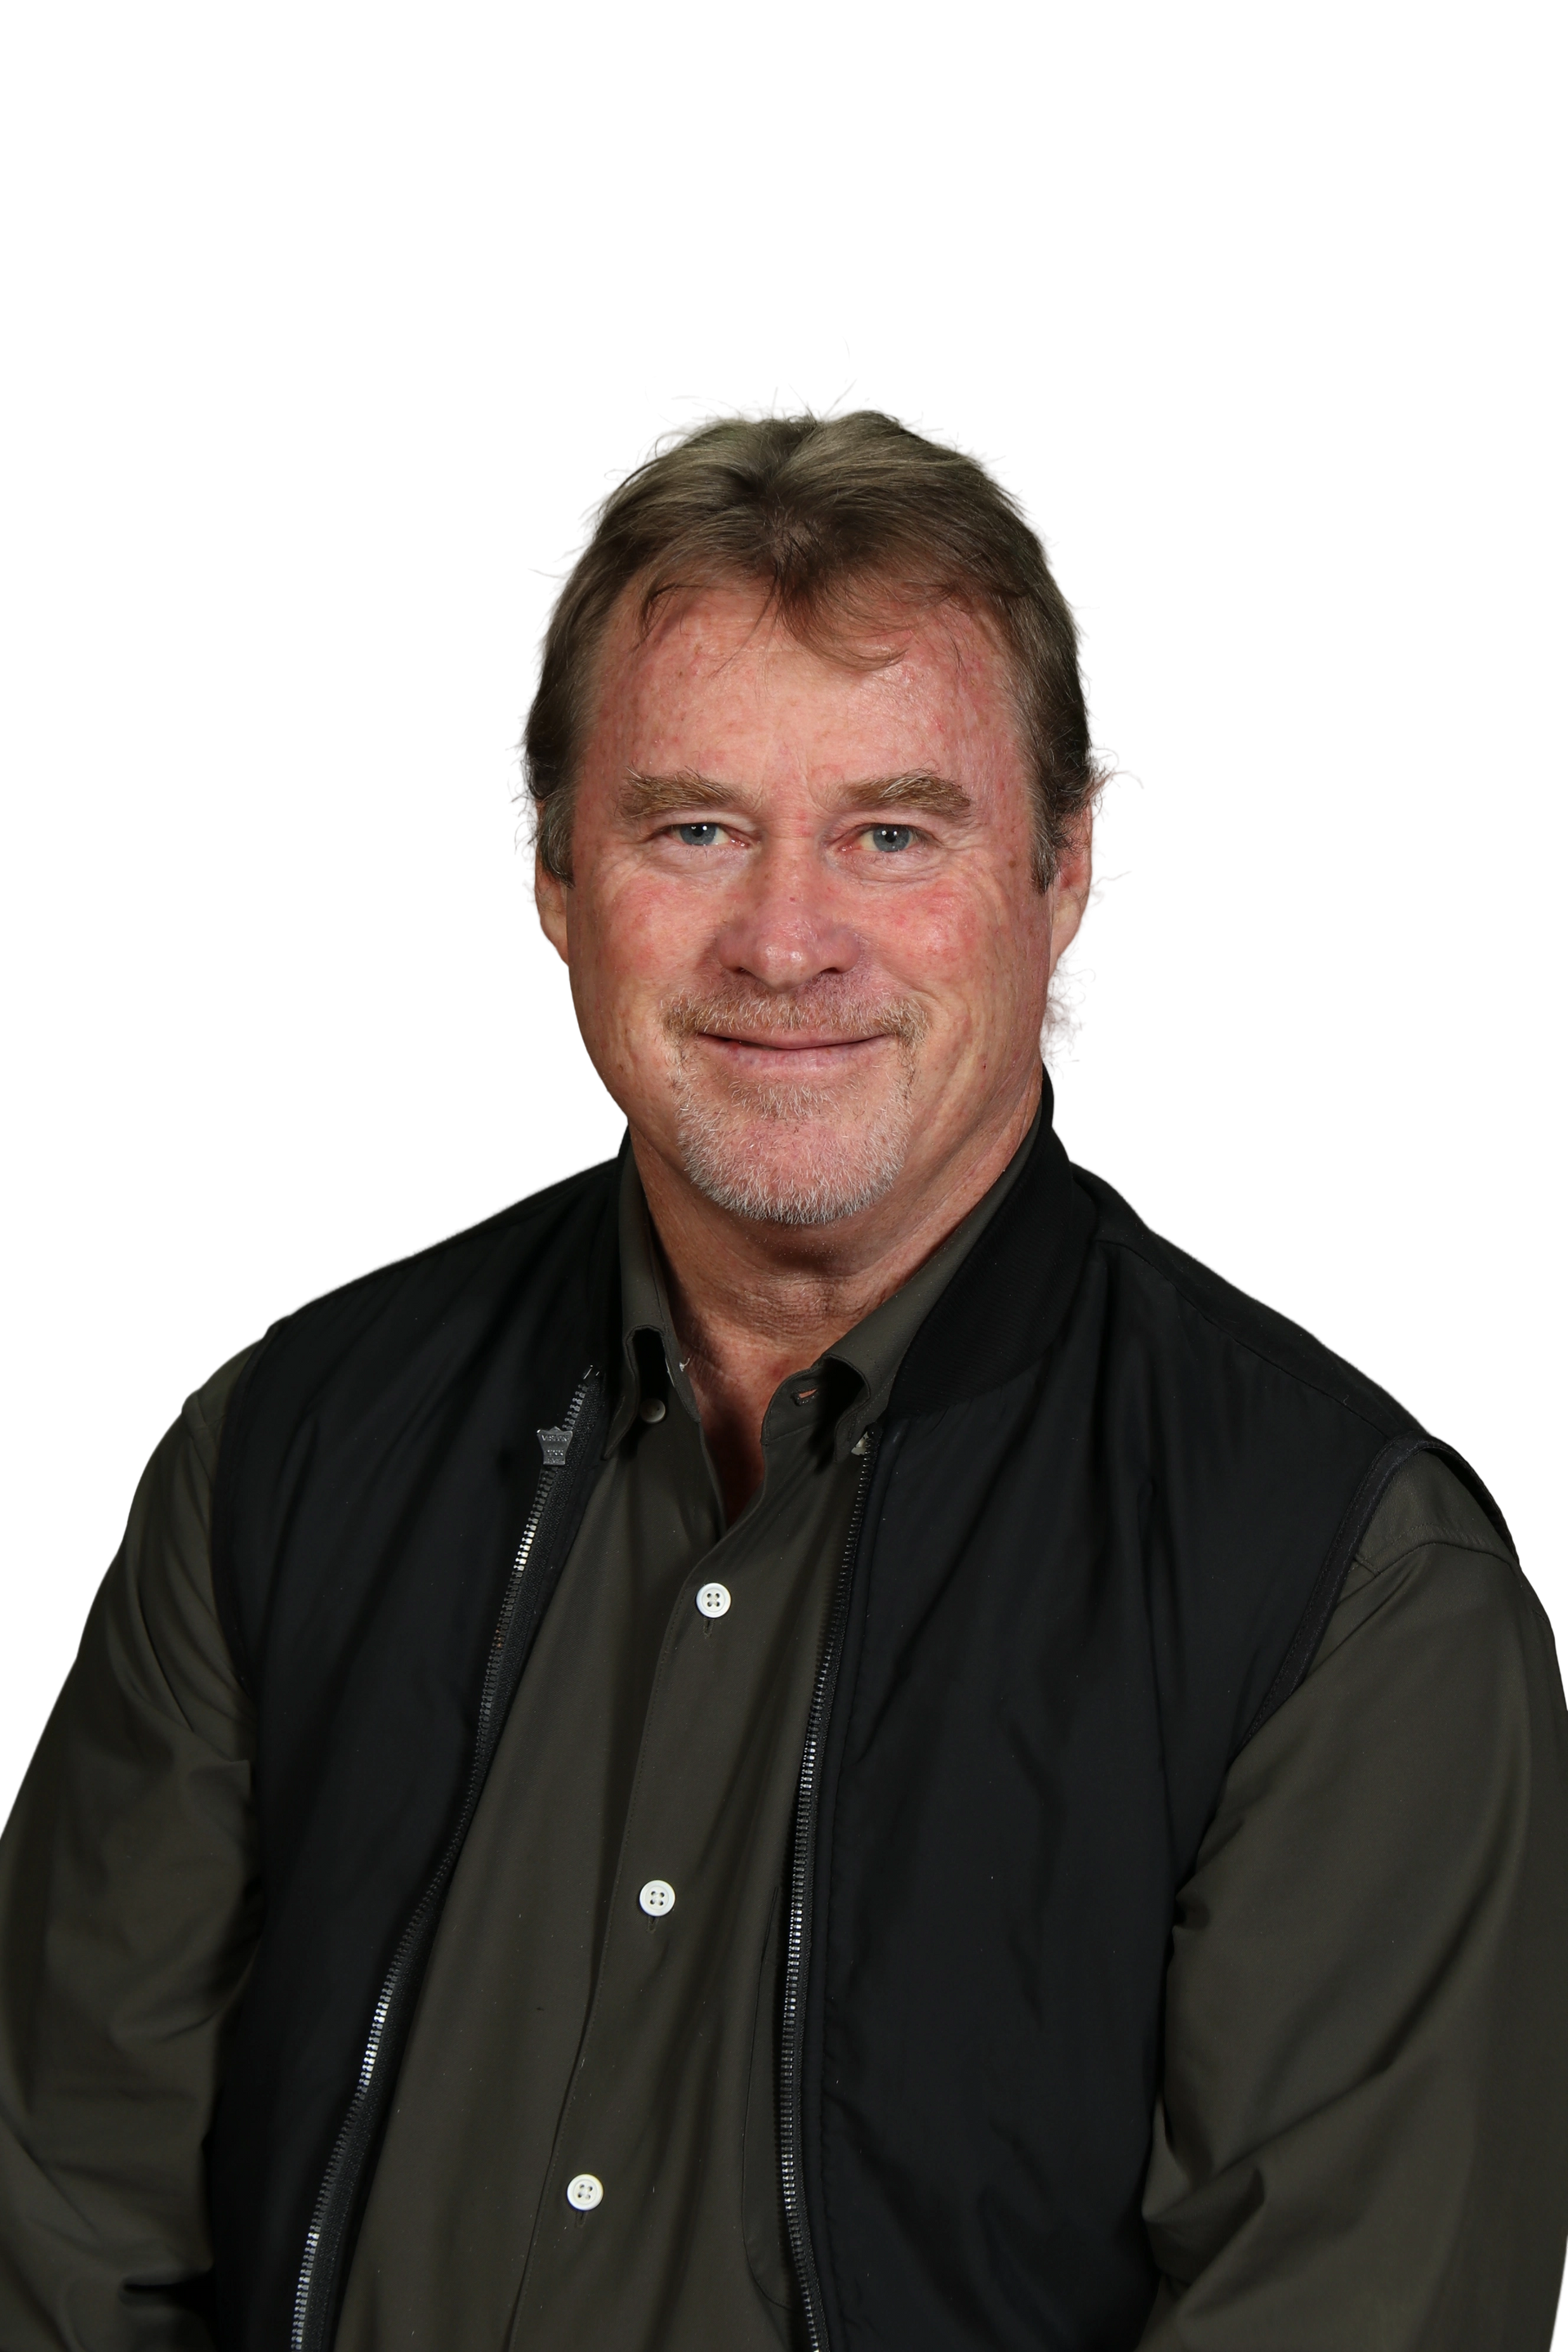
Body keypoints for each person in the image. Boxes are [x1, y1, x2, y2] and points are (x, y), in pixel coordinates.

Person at [2, 383, 1565, 2352]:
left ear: (1070, 867)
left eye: (892, 831)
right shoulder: (280, 1449)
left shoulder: (1346, 1588)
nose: (785, 939)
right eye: (696, 829)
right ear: (551, 872)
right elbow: (57, 2226)